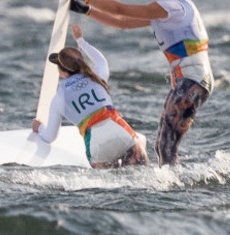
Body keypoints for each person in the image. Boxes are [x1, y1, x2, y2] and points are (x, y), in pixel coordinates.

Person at [65, 0, 213, 166]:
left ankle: (175, 189)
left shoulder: (172, 6)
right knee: (162, 144)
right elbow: (122, 23)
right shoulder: (167, 7)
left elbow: (120, 9)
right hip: (189, 81)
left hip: (193, 81)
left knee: (166, 145)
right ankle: (168, 182)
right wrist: (84, 10)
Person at [32, 24, 149, 169]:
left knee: (111, 188)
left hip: (97, 146)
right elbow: (101, 60)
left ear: (61, 71)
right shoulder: (97, 77)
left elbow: (49, 137)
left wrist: (39, 128)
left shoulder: (59, 98)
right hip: (121, 132)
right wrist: (81, 41)